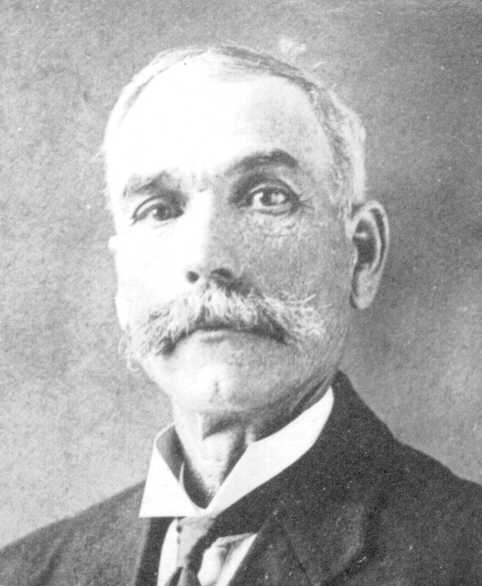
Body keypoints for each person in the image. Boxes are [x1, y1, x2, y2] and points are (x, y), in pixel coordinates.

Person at [1, 45, 480, 586]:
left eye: (267, 197)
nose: (207, 258)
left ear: (361, 255)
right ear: (121, 281)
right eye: (159, 209)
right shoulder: (24, 574)